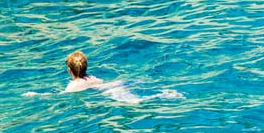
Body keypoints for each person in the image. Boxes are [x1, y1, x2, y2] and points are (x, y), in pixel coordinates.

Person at [23, 51, 183, 102]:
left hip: (108, 91)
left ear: (69, 70)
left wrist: (35, 94)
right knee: (135, 99)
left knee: (135, 103)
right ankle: (163, 94)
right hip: (114, 85)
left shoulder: (73, 85)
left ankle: (162, 95)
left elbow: (58, 97)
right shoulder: (94, 78)